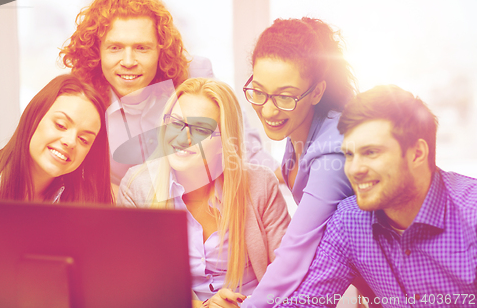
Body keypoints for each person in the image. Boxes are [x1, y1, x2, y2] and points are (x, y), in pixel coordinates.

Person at [275, 85, 477, 307]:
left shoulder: (471, 215)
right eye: (349, 154)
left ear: (417, 154)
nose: (354, 169)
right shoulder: (349, 221)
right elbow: (307, 302)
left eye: (371, 152)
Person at [59, 0, 280, 191]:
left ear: (160, 49)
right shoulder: (82, 96)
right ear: (97, 51)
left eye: (142, 48)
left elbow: (240, 141)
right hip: (123, 211)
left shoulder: (194, 75)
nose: (128, 61)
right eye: (115, 48)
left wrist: (283, 175)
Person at [117, 78, 291, 308]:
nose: (183, 138)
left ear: (224, 143)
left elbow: (289, 273)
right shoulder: (136, 187)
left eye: (200, 129)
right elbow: (136, 286)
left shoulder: (260, 184)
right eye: (176, 123)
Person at [238, 18, 357, 307]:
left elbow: (296, 252)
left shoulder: (333, 154)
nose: (268, 109)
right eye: (259, 91)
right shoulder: (301, 125)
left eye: (285, 96)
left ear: (316, 92)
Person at [0, 74, 113, 203]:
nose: (71, 142)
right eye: (61, 125)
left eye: (83, 139)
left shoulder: (88, 200)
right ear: (33, 118)